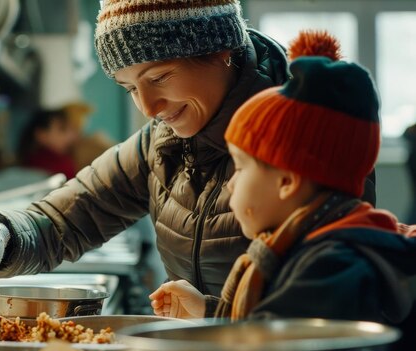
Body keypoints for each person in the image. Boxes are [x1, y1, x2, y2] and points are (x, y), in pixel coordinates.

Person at [0, 1, 374, 314]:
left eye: (159, 76)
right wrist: (3, 233)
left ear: (220, 51)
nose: (148, 107)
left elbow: (324, 314)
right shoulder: (160, 142)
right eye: (129, 87)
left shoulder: (311, 137)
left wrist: (214, 319)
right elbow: (71, 214)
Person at [148, 31, 416, 348]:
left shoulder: (329, 268)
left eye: (241, 167)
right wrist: (208, 311)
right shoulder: (320, 247)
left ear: (287, 181)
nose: (231, 183)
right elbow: (267, 326)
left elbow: (268, 341)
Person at [18, 108, 80, 179]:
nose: (71, 136)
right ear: (42, 135)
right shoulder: (41, 168)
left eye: (72, 129)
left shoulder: (68, 159)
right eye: (62, 129)